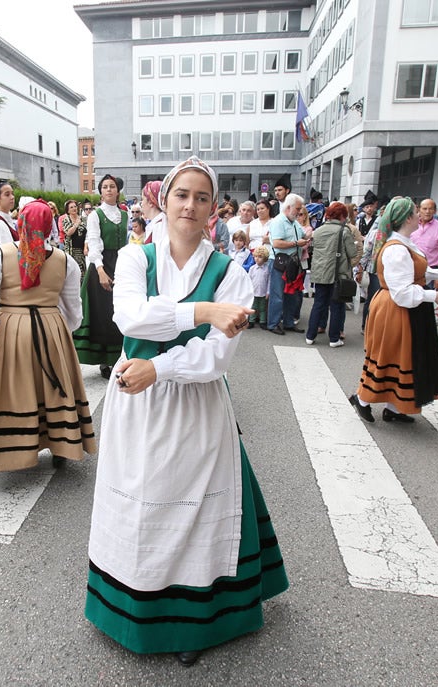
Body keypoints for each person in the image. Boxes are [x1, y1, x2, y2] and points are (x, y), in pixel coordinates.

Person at [86, 156, 288, 667]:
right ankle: (131, 602)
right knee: (138, 498)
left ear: (214, 209)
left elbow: (216, 355)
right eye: (182, 194)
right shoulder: (135, 258)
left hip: (192, 401)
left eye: (202, 197)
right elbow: (130, 316)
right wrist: (201, 312)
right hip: (137, 402)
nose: (190, 205)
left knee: (191, 507)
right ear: (164, 198)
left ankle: (193, 619)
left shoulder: (228, 271)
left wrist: (160, 369)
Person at [0, 199, 95, 479]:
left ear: (20, 223)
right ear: (49, 226)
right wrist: (63, 332)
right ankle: (61, 446)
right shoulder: (65, 260)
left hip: (9, 327)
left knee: (7, 390)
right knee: (51, 389)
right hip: (50, 326)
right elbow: (73, 307)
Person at [348, 197, 438, 423]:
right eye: (416, 212)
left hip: (404, 308)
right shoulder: (396, 249)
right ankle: (362, 399)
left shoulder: (404, 243)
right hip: (396, 309)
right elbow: (402, 292)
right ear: (408, 218)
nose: (420, 215)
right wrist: (435, 296)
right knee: (388, 358)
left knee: (404, 360)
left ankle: (395, 407)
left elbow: (414, 271)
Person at [74, 174, 127, 378]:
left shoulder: (124, 214)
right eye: (104, 187)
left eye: (112, 186)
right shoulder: (95, 215)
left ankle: (118, 357)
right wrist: (101, 270)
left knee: (119, 310)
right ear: (100, 192)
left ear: (117, 190)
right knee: (103, 314)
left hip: (121, 264)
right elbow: (94, 242)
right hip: (102, 267)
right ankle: (105, 361)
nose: (108, 190)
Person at [305, 202, 356, 347]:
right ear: (342, 215)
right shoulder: (344, 231)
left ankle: (310, 335)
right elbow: (352, 253)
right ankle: (334, 339)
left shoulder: (318, 231)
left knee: (318, 304)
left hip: (320, 273)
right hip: (337, 274)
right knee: (337, 306)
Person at [266, 193, 309, 334]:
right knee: (277, 294)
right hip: (280, 261)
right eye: (297, 209)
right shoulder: (279, 221)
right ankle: (273, 323)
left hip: (292, 262)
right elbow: (277, 243)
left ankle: (288, 322)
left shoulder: (294, 222)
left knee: (292, 294)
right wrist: (296, 243)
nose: (299, 212)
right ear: (289, 207)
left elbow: (303, 235)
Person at [60, 199, 87, 276]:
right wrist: (76, 224)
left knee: (82, 273)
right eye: (71, 207)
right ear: (68, 210)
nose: (74, 208)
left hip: (82, 250)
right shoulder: (66, 220)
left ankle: (81, 287)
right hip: (71, 251)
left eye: (75, 206)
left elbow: (87, 233)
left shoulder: (83, 219)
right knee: (72, 272)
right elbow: (68, 232)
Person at [247, 246, 270, 328]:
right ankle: (251, 321)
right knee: (253, 307)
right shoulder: (252, 269)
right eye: (256, 256)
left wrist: (268, 292)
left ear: (264, 258)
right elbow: (248, 280)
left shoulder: (267, 269)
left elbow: (268, 281)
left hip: (263, 292)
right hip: (254, 292)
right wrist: (248, 291)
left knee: (262, 308)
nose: (257, 259)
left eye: (260, 257)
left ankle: (262, 321)